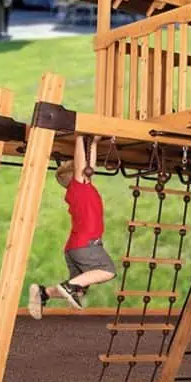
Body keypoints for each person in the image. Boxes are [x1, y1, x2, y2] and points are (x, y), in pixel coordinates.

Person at [27, 135, 116, 319]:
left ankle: (45, 293)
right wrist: (80, 138)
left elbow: (89, 167)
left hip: (75, 247)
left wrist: (94, 143)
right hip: (86, 245)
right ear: (77, 173)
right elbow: (82, 166)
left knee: (80, 290)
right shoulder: (80, 187)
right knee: (107, 271)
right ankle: (68, 287)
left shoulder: (79, 190)